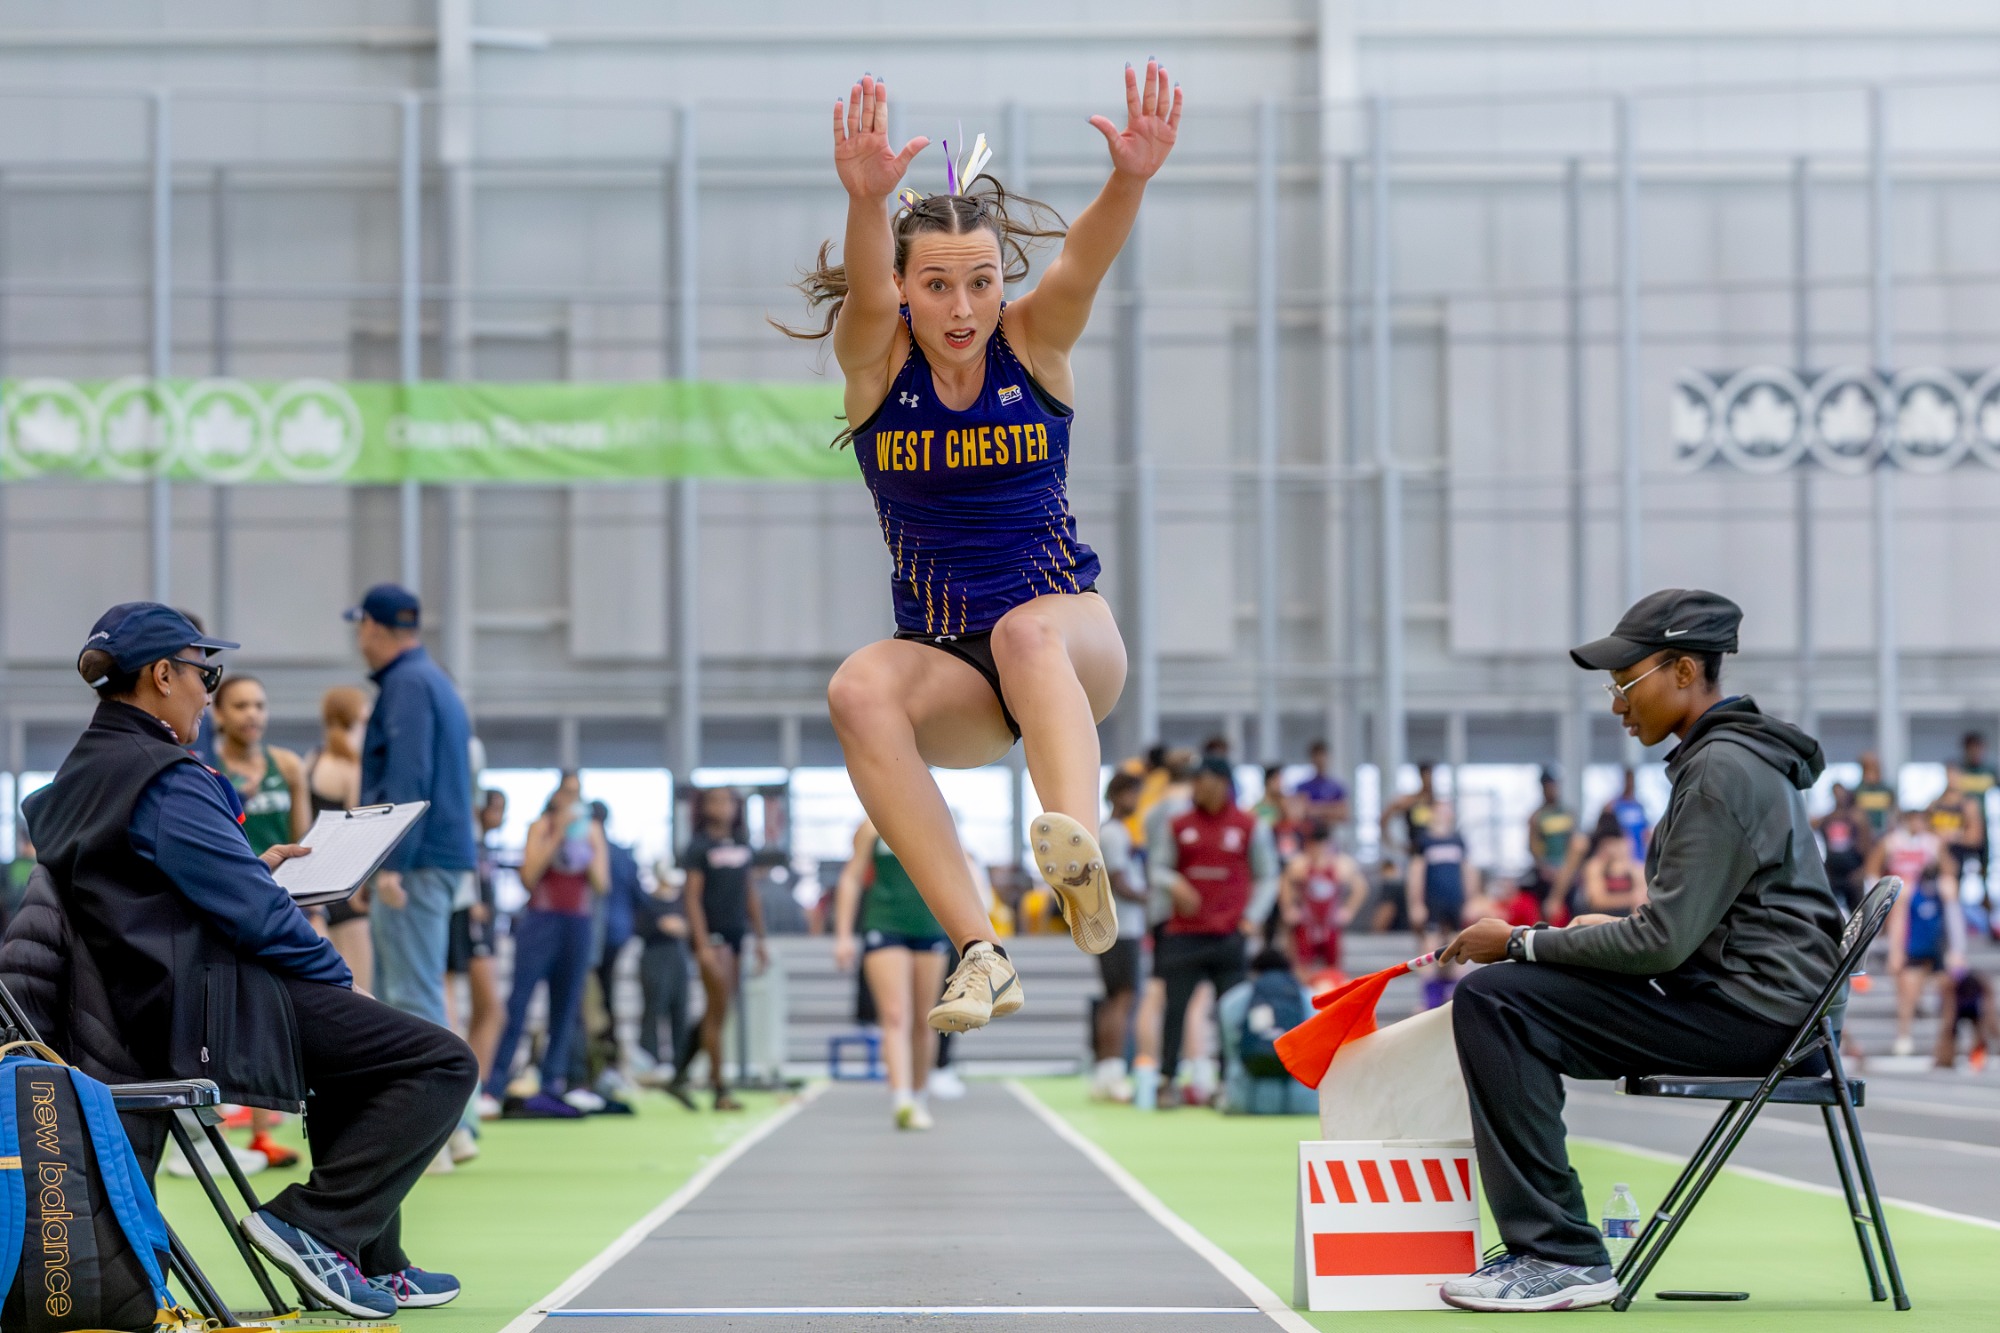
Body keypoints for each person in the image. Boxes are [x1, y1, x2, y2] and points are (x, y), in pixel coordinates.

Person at [792, 64, 1183, 1033]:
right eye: (937, 286)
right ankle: (981, 950)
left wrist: (1128, 178)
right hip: (952, 664)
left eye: (981, 282)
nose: (963, 308)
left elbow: (1081, 263)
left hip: (1066, 640)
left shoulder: (1032, 343)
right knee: (856, 689)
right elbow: (863, 301)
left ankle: (1078, 852)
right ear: (903, 290)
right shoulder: (876, 369)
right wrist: (867, 200)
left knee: (1024, 634)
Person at [19, 603, 473, 1319]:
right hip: (201, 1007)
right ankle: (314, 1224)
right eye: (205, 675)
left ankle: (366, 1256)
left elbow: (139, 894)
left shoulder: (78, 776)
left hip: (132, 1009)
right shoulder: (167, 777)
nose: (209, 692)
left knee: (358, 1060)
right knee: (441, 1062)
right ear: (162, 675)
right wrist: (338, 976)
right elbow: (259, 916)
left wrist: (246, 868)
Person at [1438, 589, 1843, 1313]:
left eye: (1627, 681)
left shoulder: (1721, 770)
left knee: (1496, 1000)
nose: (1618, 703)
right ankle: (1553, 1246)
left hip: (1757, 1018)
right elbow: (1692, 926)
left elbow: (1660, 944)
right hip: (1765, 1005)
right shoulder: (1731, 759)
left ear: (1684, 671)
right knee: (1513, 996)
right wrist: (1592, 935)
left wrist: (1522, 940)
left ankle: (1559, 1255)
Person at [349, 584, 477, 1027]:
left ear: (370, 626)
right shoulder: (432, 679)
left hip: (415, 862)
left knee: (412, 1005)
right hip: (431, 856)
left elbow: (408, 776)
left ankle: (445, 1079)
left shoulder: (406, 683)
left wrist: (391, 863)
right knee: (403, 1003)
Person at [211, 674, 312, 1170]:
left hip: (284, 906)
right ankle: (210, 1132)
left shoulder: (288, 765)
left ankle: (261, 1134)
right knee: (231, 1019)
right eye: (240, 705)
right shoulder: (206, 769)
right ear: (219, 713)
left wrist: (312, 907)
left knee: (281, 1017)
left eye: (259, 705)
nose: (252, 714)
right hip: (232, 907)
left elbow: (305, 840)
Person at [1150, 756, 1277, 1102]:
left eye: (1202, 781)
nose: (1195, 788)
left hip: (1228, 935)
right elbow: (1157, 868)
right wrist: (1175, 884)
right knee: (1175, 1009)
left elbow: (1268, 875)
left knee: (1230, 1013)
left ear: (1221, 783)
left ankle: (1227, 1082)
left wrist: (1252, 918)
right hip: (1183, 934)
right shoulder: (1178, 824)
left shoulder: (1249, 826)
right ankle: (1167, 1080)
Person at [485, 773, 607, 1118]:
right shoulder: (540, 827)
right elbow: (528, 877)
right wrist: (556, 836)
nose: (572, 800)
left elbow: (602, 884)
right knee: (519, 1003)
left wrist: (586, 846)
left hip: (577, 923)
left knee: (566, 1008)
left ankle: (554, 1082)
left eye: (577, 794)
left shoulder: (592, 831)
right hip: (541, 921)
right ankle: (495, 1084)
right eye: (566, 793)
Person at [833, 820, 952, 1128]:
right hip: (884, 923)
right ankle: (902, 1099)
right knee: (895, 1014)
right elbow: (852, 876)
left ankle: (919, 1095)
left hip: (930, 925)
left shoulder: (937, 819)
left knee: (926, 1019)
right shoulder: (870, 827)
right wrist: (843, 935)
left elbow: (960, 874)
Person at [683, 786, 768, 1111]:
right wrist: (702, 942)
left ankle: (680, 1069)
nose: (724, 807)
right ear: (704, 808)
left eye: (730, 801)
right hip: (712, 937)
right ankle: (719, 1087)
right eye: (717, 801)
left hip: (736, 936)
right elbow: (692, 898)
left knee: (720, 1010)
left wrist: (760, 939)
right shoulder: (698, 847)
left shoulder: (742, 844)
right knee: (717, 1008)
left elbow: (749, 893)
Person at [1870, 806, 1964, 1059]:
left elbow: (1953, 911)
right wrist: (1895, 950)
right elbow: (1873, 869)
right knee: (1907, 987)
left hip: (1934, 938)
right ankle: (1904, 1035)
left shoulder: (1935, 852)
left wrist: (1957, 951)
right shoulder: (1892, 843)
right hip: (1907, 921)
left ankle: (1947, 1042)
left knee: (1949, 991)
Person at [305, 685, 373, 990]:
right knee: (360, 988)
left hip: (315, 883)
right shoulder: (350, 766)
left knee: (332, 984)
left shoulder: (313, 759)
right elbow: (358, 832)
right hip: (345, 885)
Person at [1089, 771, 1149, 1101]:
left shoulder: (1119, 831)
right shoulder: (1113, 833)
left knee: (1115, 999)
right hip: (1121, 928)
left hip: (1118, 928)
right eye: (1131, 794)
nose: (1136, 801)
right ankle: (1112, 1073)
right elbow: (1119, 882)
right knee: (1121, 999)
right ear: (1116, 795)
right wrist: (1151, 897)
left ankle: (1105, 1072)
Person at [634, 858, 698, 1109]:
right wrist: (662, 925)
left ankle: (679, 1067)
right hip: (654, 958)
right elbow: (642, 927)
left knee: (680, 1012)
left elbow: (689, 927)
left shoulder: (682, 901)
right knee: (654, 1009)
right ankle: (650, 1063)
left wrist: (681, 927)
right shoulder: (648, 902)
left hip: (678, 959)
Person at [457, 789, 505, 1116]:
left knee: (484, 1013)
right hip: (473, 931)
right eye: (495, 809)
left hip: (486, 932)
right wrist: (473, 905)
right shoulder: (468, 842)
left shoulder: (484, 845)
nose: (500, 817)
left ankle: (474, 1089)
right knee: (492, 1011)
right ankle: (476, 1089)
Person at [1279, 823, 1367, 983]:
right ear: (1309, 845)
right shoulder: (1300, 864)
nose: (1318, 850)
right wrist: (1288, 909)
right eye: (1314, 846)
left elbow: (1361, 887)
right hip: (1306, 925)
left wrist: (1348, 911)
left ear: (1328, 844)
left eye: (1321, 845)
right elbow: (1285, 884)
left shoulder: (1341, 864)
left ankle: (1332, 995)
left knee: (1333, 969)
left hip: (1330, 924)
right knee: (1302, 969)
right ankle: (1306, 996)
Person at [1407, 801, 1479, 947]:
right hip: (1433, 899)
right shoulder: (1424, 841)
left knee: (1457, 938)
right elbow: (1416, 873)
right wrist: (1416, 903)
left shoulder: (1458, 841)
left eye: (1447, 811)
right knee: (1431, 937)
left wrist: (1472, 899)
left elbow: (1468, 871)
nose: (1444, 814)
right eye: (1440, 811)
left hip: (1455, 898)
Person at [1526, 768, 1576, 914]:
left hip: (1566, 870)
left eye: (1555, 785)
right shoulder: (1537, 816)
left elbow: (1573, 843)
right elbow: (1533, 847)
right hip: (1546, 871)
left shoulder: (1567, 813)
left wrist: (1567, 869)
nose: (1553, 789)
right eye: (1549, 785)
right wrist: (1544, 867)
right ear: (1543, 787)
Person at [1816, 783, 1869, 913]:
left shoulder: (1857, 818)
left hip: (1853, 871)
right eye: (1835, 793)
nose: (1838, 796)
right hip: (1832, 872)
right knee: (1828, 910)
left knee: (1858, 912)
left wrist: (1863, 870)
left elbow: (1867, 846)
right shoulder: (1828, 818)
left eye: (1841, 792)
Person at [1577, 823, 1648, 919]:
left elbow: (1642, 900)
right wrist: (1630, 898)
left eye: (1617, 843)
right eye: (1609, 844)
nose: (1613, 849)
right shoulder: (1595, 866)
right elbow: (1597, 901)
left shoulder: (1637, 868)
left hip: (1626, 919)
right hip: (1600, 918)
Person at [1292, 740, 1350, 830]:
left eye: (1322, 756)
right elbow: (1299, 813)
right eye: (1316, 756)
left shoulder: (1337, 787)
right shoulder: (1302, 787)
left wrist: (1315, 809)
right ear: (1311, 759)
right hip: (1308, 834)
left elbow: (1344, 814)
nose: (1320, 760)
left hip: (1332, 834)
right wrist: (1331, 808)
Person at [1853, 750, 1898, 843]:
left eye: (1875, 766)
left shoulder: (1887, 790)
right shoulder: (1857, 790)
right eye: (1868, 767)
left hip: (1884, 833)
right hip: (1862, 837)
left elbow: (1894, 811)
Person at [1607, 768, 1649, 859]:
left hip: (1639, 855)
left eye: (1631, 780)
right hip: (1620, 855)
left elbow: (1645, 832)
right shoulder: (1613, 806)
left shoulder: (1639, 807)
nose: (1630, 784)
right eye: (1627, 780)